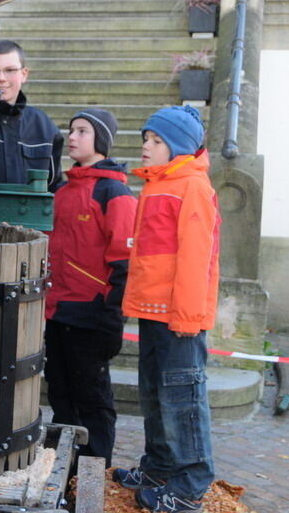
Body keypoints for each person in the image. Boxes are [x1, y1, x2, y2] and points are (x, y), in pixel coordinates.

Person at [112, 105, 221, 513]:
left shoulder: (191, 186)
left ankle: (191, 484)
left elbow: (196, 258)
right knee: (155, 394)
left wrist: (188, 319)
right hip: (155, 311)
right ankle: (160, 466)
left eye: (156, 141)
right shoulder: (158, 185)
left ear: (177, 147)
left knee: (184, 400)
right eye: (146, 138)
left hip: (178, 318)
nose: (146, 146)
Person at [44, 108, 136, 467]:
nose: (73, 137)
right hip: (57, 311)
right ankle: (65, 468)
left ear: (101, 140)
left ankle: (96, 469)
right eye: (71, 130)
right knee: (61, 394)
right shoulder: (64, 191)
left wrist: (113, 321)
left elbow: (125, 263)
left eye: (82, 131)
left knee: (93, 398)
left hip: (91, 314)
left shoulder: (114, 192)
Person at [0, 40, 63, 189]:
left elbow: (54, 186)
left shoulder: (44, 126)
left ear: (24, 74)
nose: (1, 77)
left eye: (10, 70)